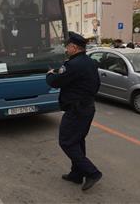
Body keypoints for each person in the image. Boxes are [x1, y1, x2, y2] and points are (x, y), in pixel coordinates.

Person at [46, 32, 102, 191]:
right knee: (77, 141)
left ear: (74, 47)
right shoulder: (90, 62)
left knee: (66, 141)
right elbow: (97, 84)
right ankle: (77, 174)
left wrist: (49, 75)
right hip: (88, 107)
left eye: (67, 46)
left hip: (76, 110)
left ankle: (92, 172)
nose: (66, 49)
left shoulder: (73, 65)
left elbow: (56, 82)